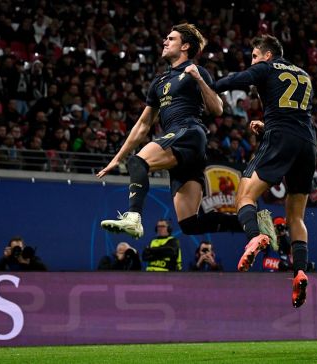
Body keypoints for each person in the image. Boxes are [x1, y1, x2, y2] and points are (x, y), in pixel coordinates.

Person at [97, 23, 246, 240]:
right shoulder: (159, 82)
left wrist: (198, 78)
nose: (165, 42)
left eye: (171, 39)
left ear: (185, 46)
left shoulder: (197, 72)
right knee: (190, 224)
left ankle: (134, 218)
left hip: (189, 132)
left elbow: (218, 109)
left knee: (138, 162)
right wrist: (117, 158)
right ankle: (253, 224)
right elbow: (142, 125)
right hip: (182, 147)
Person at [205, 35, 316, 308]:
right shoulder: (304, 75)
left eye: (255, 56)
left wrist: (209, 86)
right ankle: (300, 270)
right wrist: (266, 127)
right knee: (296, 217)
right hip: (307, 143)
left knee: (244, 197)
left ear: (267, 55)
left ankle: (255, 236)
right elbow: (293, 117)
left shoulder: (267, 67)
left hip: (280, 138)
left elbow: (239, 78)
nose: (252, 61)